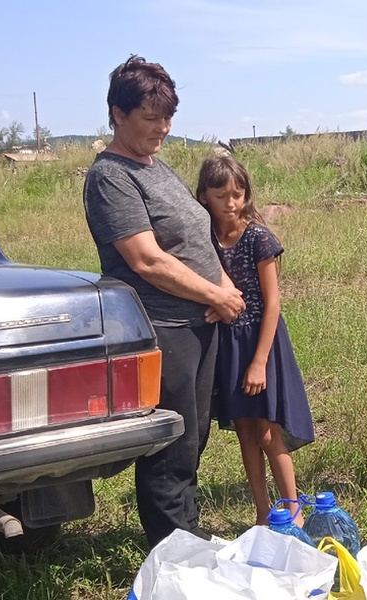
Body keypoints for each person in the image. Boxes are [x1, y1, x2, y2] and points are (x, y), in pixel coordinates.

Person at [82, 55, 246, 548]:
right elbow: (147, 260)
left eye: (168, 118)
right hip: (162, 326)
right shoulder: (111, 177)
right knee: (170, 440)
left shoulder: (157, 166)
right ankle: (173, 549)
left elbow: (196, 235)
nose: (164, 128)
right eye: (151, 118)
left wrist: (223, 291)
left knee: (194, 436)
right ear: (118, 113)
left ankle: (186, 534)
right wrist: (216, 293)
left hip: (200, 319)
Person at [196, 154, 315, 526]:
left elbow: (272, 302)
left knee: (266, 431)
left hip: (260, 343)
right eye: (221, 196)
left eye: (238, 193)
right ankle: (263, 514)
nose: (231, 203)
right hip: (227, 346)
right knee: (244, 431)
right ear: (203, 198)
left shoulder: (258, 238)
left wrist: (260, 361)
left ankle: (293, 511)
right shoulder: (204, 240)